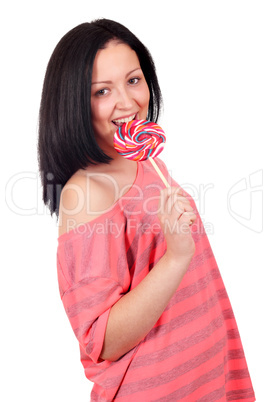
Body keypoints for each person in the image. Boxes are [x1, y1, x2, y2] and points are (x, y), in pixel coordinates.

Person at [38, 18, 255, 401]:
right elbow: (101, 339)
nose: (127, 102)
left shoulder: (145, 163)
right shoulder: (86, 193)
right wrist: (175, 258)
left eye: (133, 80)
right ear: (73, 103)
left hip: (207, 377)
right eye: (102, 91)